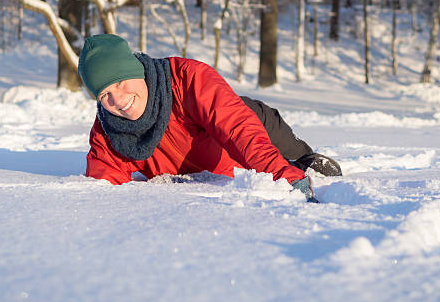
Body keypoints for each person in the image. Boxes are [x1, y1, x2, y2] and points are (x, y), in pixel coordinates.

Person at [78, 34, 341, 202]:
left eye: (121, 82)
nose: (118, 99)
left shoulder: (187, 78)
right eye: (104, 94)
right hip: (213, 165)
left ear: (137, 71)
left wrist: (288, 178)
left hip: (248, 123)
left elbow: (239, 130)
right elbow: (103, 190)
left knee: (292, 158)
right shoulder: (110, 130)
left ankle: (304, 159)